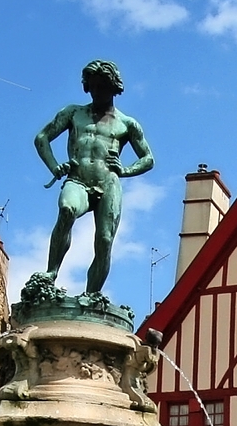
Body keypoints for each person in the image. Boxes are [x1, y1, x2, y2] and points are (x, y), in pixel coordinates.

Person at [34, 59, 155, 294]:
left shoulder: (127, 124)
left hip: (108, 182)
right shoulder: (73, 113)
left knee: (105, 239)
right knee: (67, 209)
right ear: (87, 87)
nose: (97, 91)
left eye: (103, 86)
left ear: (114, 88)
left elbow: (148, 158)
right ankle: (52, 271)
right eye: (93, 86)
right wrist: (54, 166)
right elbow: (42, 138)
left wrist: (125, 170)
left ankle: (91, 295)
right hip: (78, 178)